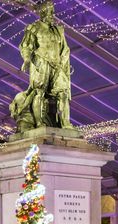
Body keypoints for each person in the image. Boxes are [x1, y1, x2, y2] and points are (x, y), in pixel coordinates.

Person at [10, 0, 72, 132]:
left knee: (63, 94)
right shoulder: (34, 28)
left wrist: (63, 62)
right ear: (43, 12)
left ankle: (65, 122)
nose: (52, 14)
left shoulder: (58, 30)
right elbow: (26, 46)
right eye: (49, 11)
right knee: (39, 92)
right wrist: (27, 60)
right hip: (40, 63)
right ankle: (39, 123)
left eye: (52, 11)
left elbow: (65, 49)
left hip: (57, 66)